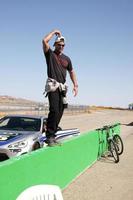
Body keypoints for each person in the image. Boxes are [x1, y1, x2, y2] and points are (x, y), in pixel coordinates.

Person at [42, 29, 78, 146]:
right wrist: (53, 32)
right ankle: (50, 137)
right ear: (55, 45)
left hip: (62, 88)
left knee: (61, 111)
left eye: (63, 45)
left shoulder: (67, 59)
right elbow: (44, 41)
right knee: (54, 110)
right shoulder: (50, 54)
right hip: (53, 86)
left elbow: (72, 71)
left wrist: (75, 85)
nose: (61, 46)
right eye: (59, 45)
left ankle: (52, 132)